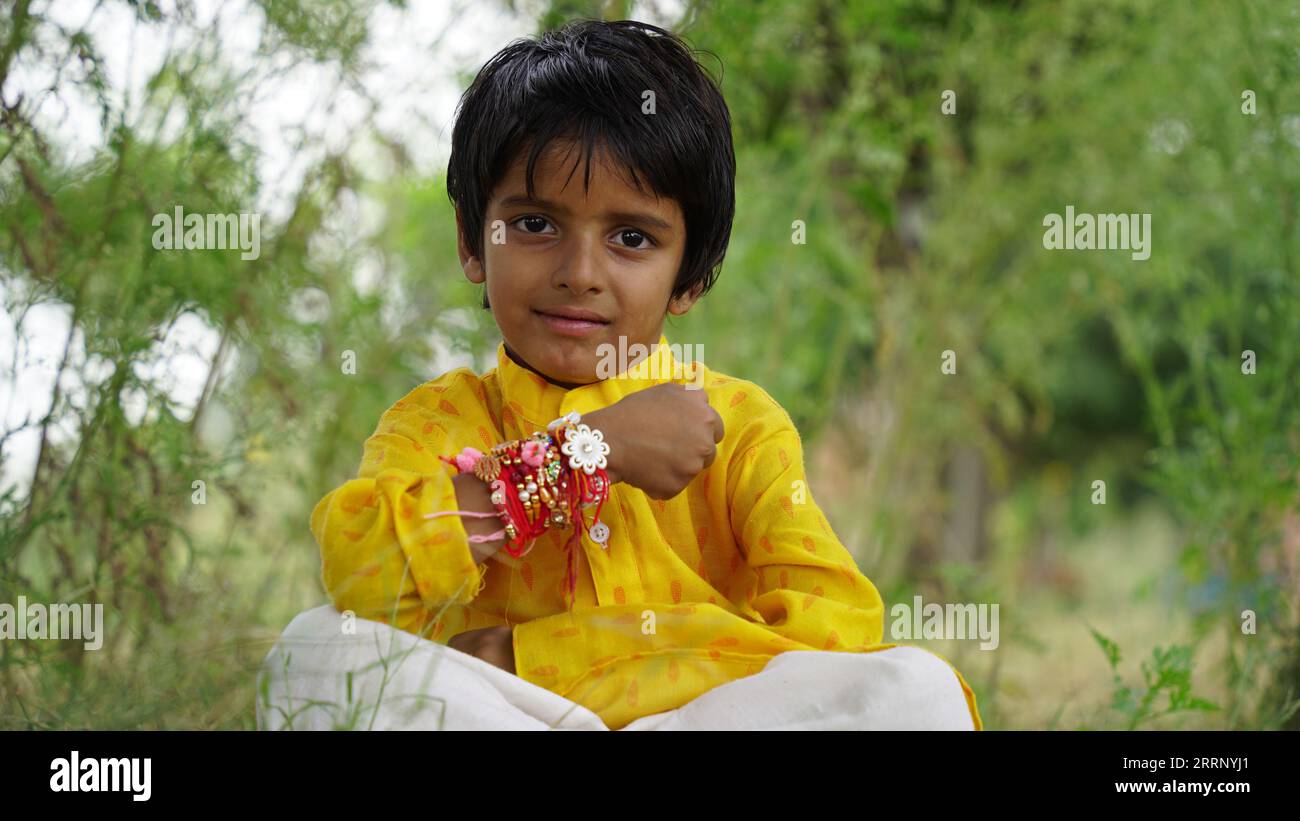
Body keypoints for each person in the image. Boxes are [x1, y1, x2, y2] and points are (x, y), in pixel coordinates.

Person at [261, 19, 981, 732]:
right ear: (472, 241)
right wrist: (572, 458)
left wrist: (540, 656)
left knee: (919, 691)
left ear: (689, 275)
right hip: (509, 718)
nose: (580, 274)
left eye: (631, 238)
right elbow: (362, 577)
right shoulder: (437, 423)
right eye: (537, 224)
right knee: (316, 652)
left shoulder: (743, 429)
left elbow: (834, 629)